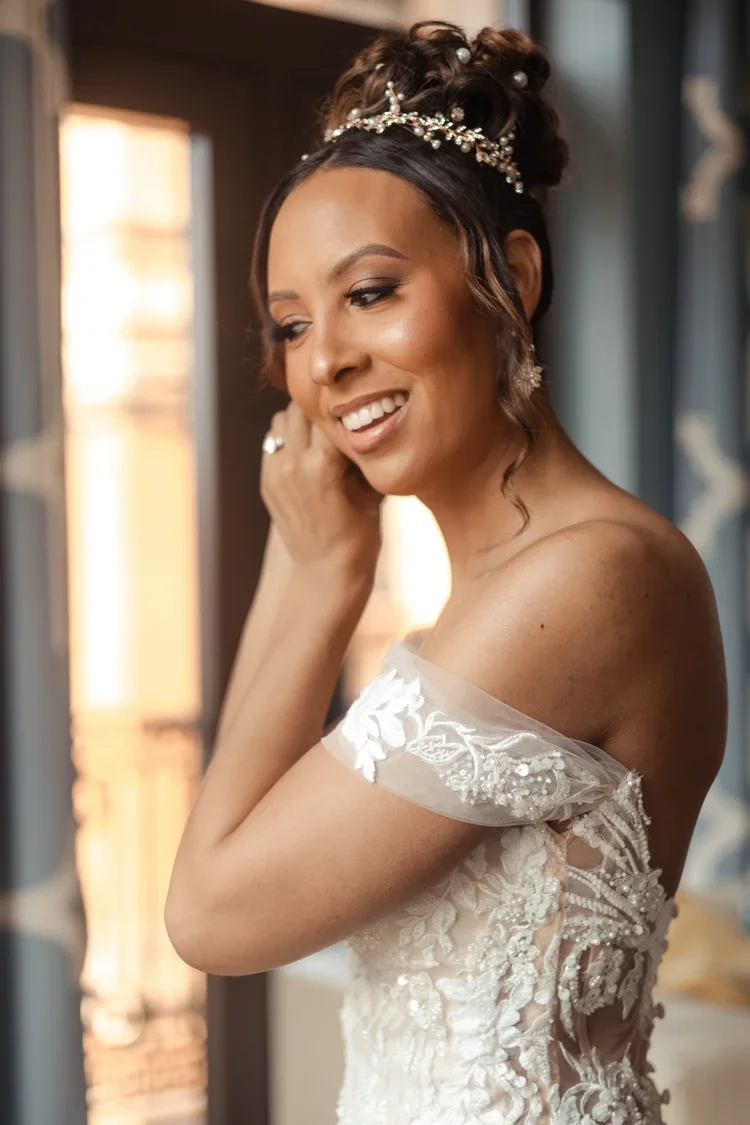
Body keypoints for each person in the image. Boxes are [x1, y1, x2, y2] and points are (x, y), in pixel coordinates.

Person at [165, 21, 727, 1125]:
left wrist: (318, 572)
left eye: (370, 292)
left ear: (508, 277)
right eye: (289, 324)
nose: (322, 361)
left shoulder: (593, 580)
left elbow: (210, 915)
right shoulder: (493, 595)